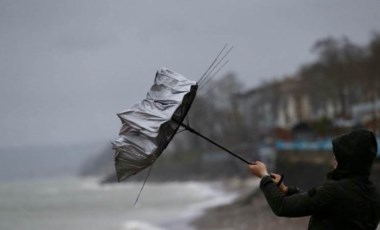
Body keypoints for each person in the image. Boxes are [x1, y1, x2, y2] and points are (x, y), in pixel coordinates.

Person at [249, 129, 380, 229]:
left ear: (348, 160)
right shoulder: (373, 193)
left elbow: (282, 206)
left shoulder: (334, 191)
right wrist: (286, 189)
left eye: (337, 156)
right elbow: (321, 203)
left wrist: (264, 176)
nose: (334, 160)